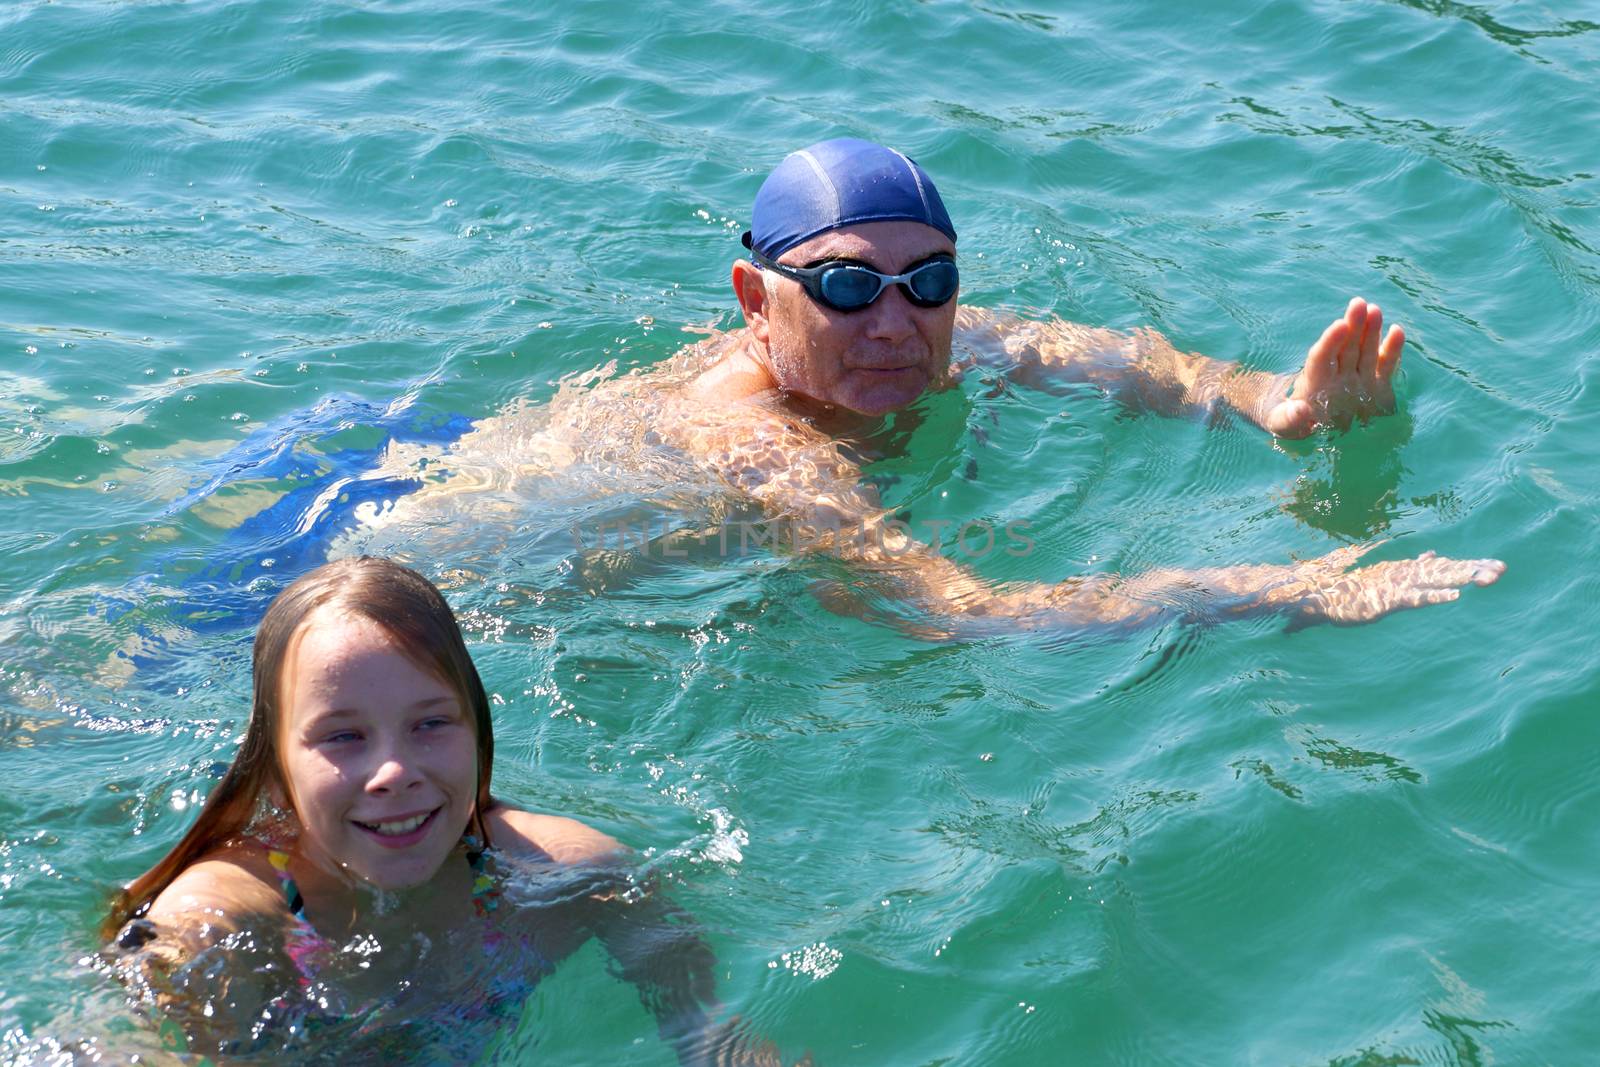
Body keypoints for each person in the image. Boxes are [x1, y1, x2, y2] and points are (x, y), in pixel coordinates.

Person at [363, 137, 1502, 631]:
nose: (897, 321)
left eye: (931, 281)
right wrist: (1274, 587)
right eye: (847, 290)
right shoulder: (751, 439)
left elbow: (1143, 365)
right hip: (438, 573)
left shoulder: (938, 333)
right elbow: (957, 616)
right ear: (755, 302)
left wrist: (1272, 401)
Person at [102, 557, 801, 1065]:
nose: (396, 771)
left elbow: (715, 1036)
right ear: (276, 773)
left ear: (477, 731)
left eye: (431, 723)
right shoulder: (223, 922)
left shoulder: (572, 877)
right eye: (344, 736)